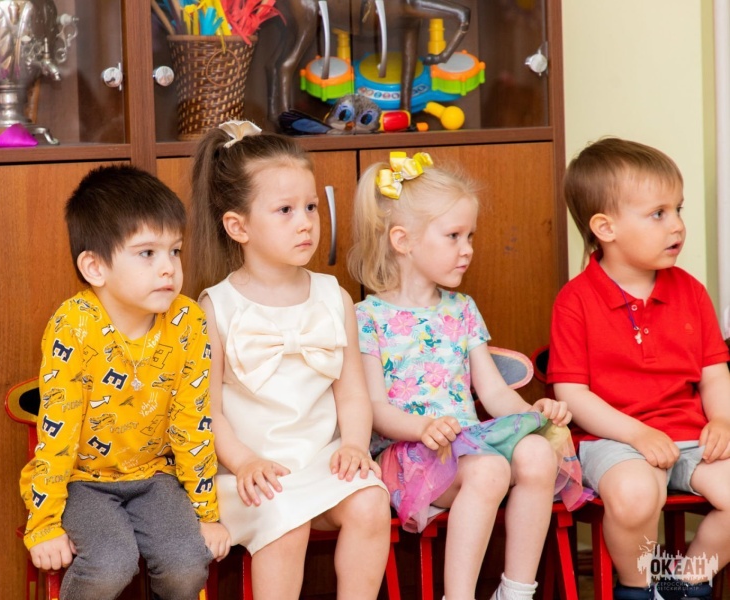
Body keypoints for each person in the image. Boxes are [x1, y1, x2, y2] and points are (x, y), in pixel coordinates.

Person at [349, 151, 588, 600]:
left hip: (470, 446)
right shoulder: (367, 316)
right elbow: (374, 409)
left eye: (470, 235)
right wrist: (423, 427)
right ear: (403, 240)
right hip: (411, 452)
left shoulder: (462, 310)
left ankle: (515, 592)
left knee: (538, 453)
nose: (468, 249)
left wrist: (534, 413)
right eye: (454, 236)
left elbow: (494, 392)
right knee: (491, 470)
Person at [186, 120, 391, 600]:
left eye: (311, 207)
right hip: (251, 472)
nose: (306, 222)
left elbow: (352, 392)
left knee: (371, 502)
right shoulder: (215, 306)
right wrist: (244, 462)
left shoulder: (333, 296)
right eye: (285, 210)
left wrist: (354, 445)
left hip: (323, 461)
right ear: (238, 226)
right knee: (287, 520)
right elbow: (207, 412)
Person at [18, 164, 230, 600]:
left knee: (188, 564)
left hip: (156, 476)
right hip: (83, 480)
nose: (168, 268)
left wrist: (207, 514)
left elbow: (193, 423)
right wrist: (44, 525)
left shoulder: (188, 321)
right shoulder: (73, 326)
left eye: (175, 251)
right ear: (95, 267)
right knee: (111, 563)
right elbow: (57, 432)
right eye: (147, 253)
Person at [548, 137, 730, 600]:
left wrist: (723, 420)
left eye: (678, 210)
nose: (677, 225)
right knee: (634, 496)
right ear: (605, 228)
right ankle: (640, 589)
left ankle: (686, 584)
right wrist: (638, 434)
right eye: (658, 213)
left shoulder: (691, 291)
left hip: (690, 436)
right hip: (614, 441)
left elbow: (713, 374)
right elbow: (573, 395)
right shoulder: (575, 301)